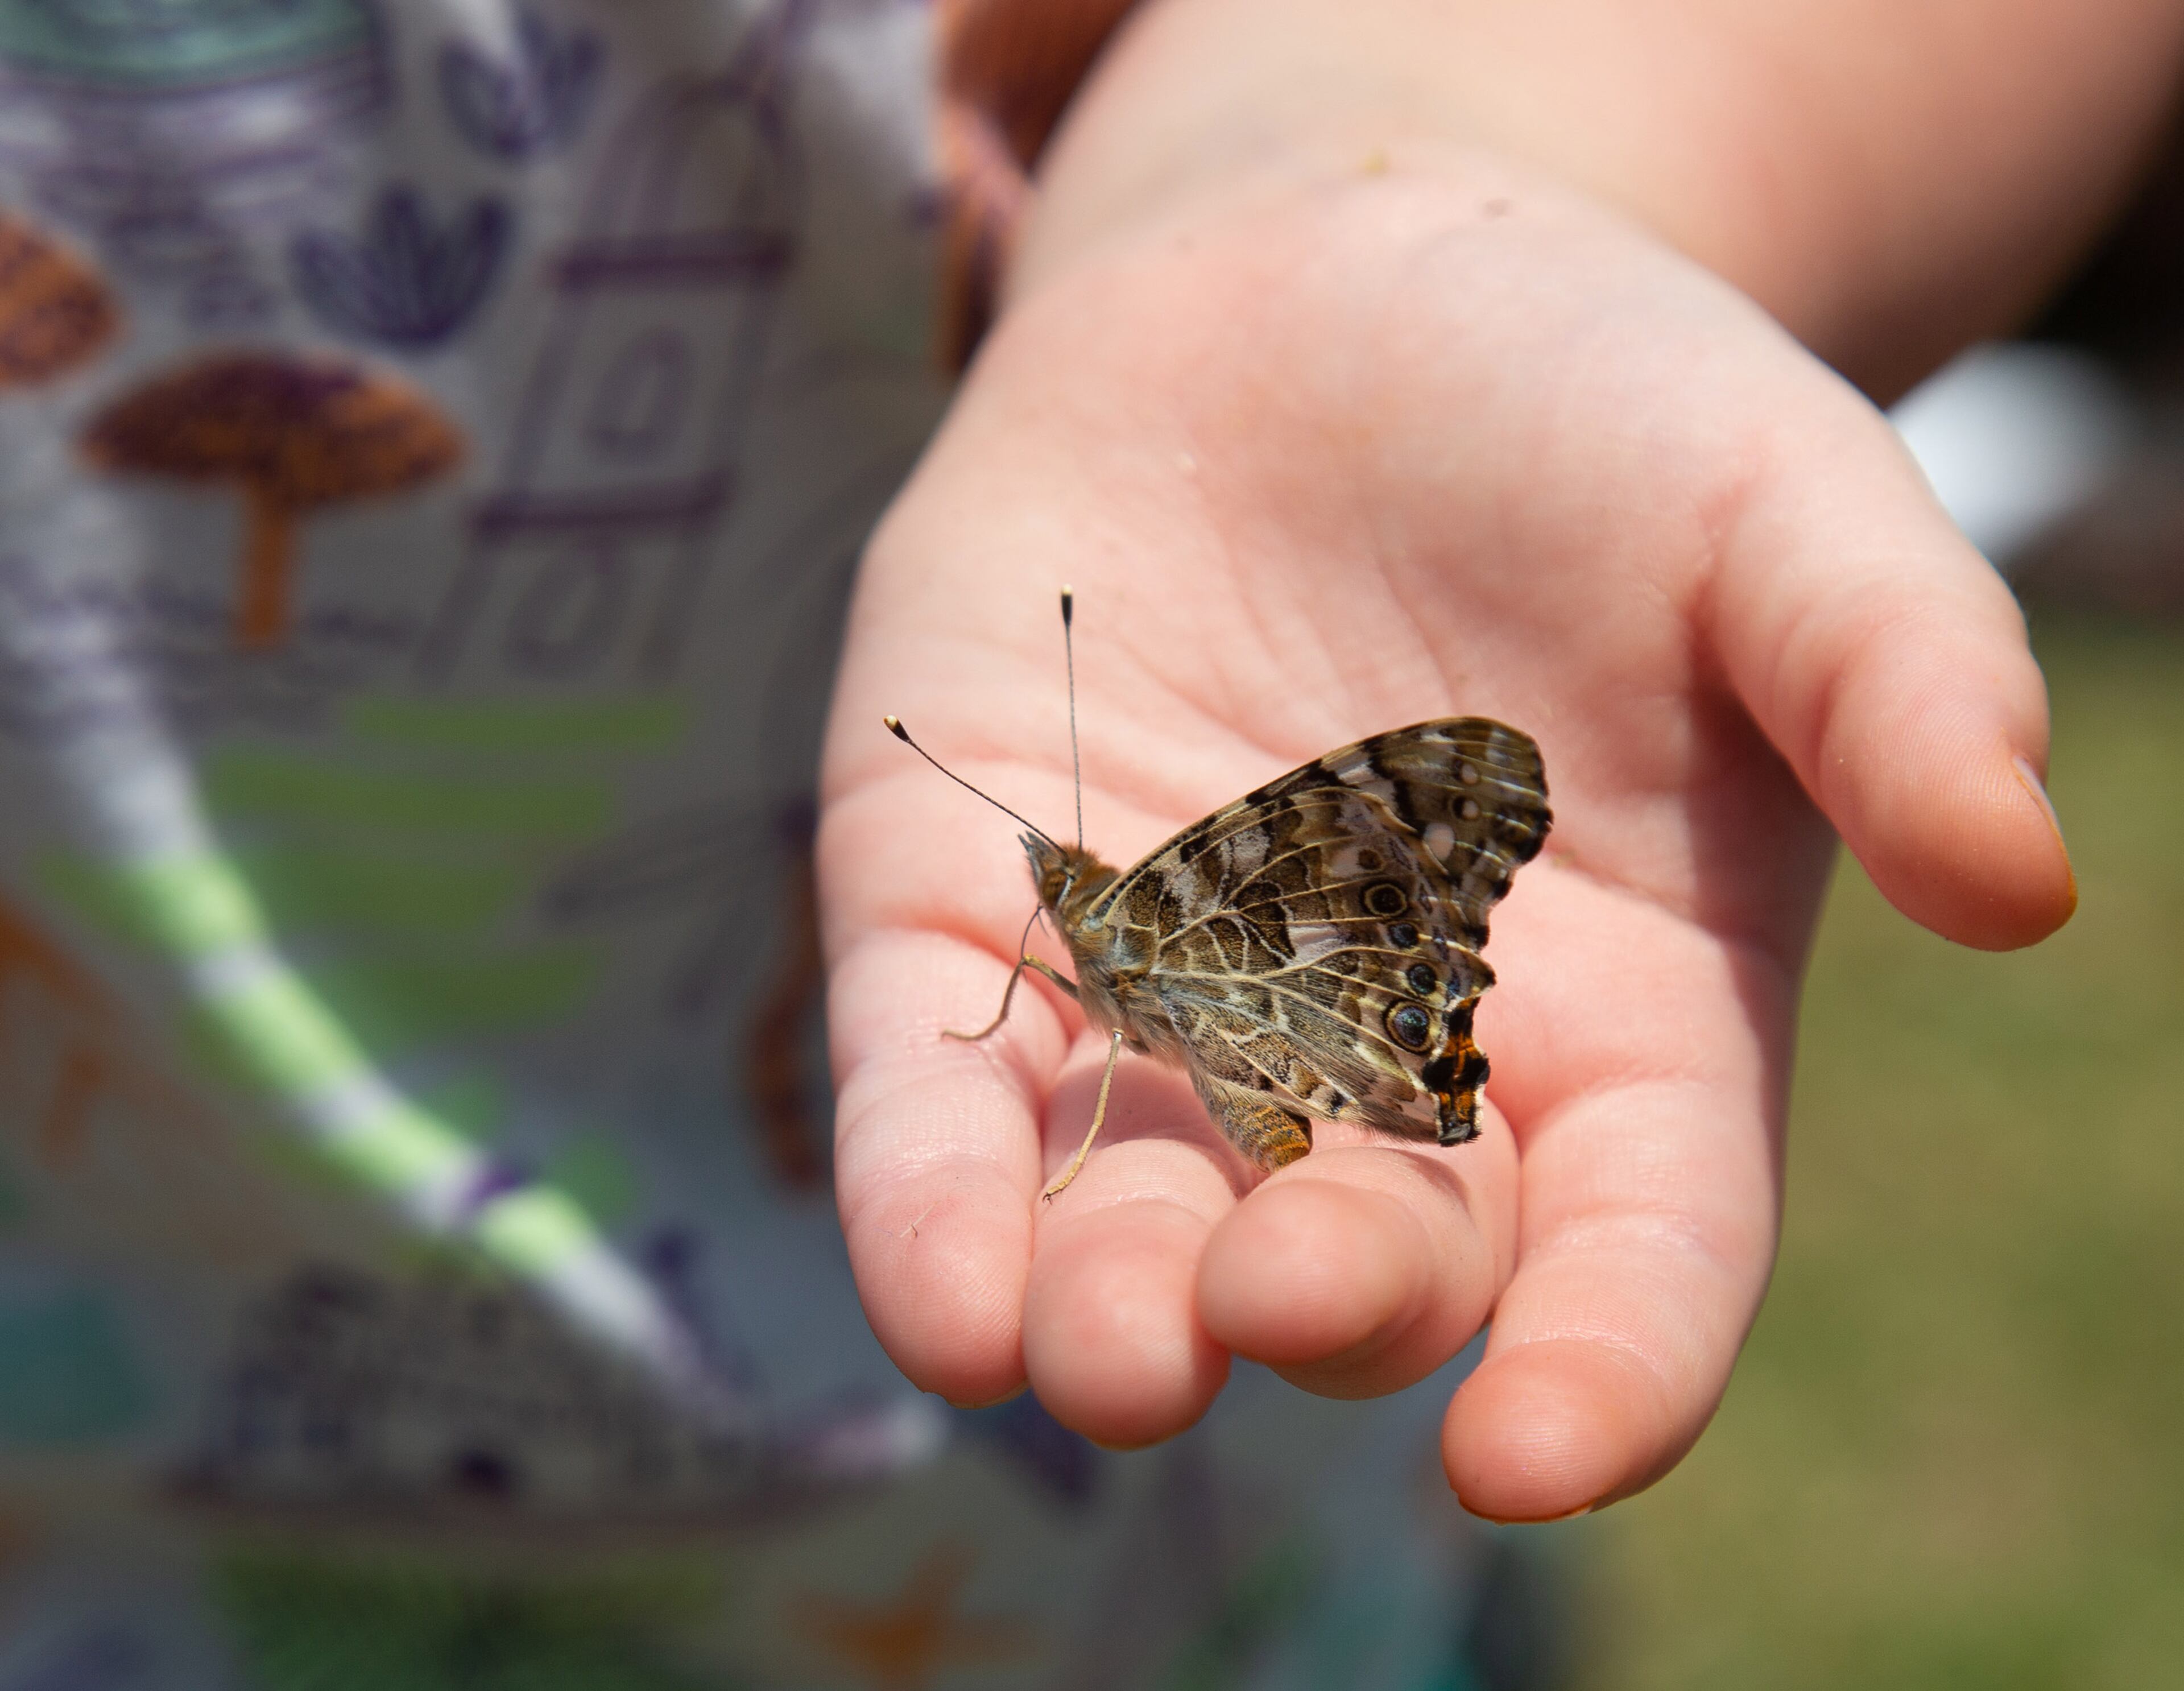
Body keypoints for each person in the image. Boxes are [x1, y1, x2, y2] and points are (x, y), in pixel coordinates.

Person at [0, 0, 2121, 1684]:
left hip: (1215, 1612)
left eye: (1053, 898)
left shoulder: (1158, 923)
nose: (1046, 914)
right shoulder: (1096, 939)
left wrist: (1455, 147)